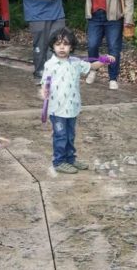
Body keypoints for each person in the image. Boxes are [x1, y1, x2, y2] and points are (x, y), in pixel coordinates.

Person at [40, 28, 113, 174]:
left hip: (72, 107)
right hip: (57, 109)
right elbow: (44, 83)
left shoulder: (76, 62)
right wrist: (45, 91)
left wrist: (104, 60)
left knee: (70, 135)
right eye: (58, 44)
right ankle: (59, 162)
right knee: (60, 136)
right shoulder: (50, 65)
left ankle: (70, 159)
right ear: (53, 46)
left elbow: (92, 66)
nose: (61, 47)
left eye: (66, 44)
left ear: (71, 47)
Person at [66, 0, 134, 90]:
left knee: (114, 48)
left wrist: (128, 19)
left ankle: (113, 78)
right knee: (92, 45)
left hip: (113, 17)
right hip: (94, 17)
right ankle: (93, 69)